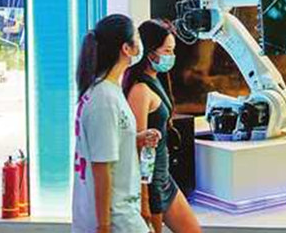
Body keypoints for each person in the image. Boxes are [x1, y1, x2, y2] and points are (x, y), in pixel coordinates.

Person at [73, 14, 162, 233]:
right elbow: (101, 167)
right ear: (126, 48)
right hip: (116, 219)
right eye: (137, 38)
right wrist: (104, 226)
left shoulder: (107, 91)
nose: (140, 44)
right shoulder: (104, 98)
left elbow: (106, 143)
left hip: (120, 214)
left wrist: (134, 138)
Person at [123, 19, 201, 233]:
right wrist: (144, 199)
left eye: (173, 50)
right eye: (167, 51)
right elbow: (139, 147)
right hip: (152, 183)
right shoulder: (140, 90)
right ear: (150, 53)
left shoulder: (156, 80)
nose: (171, 56)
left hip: (164, 176)